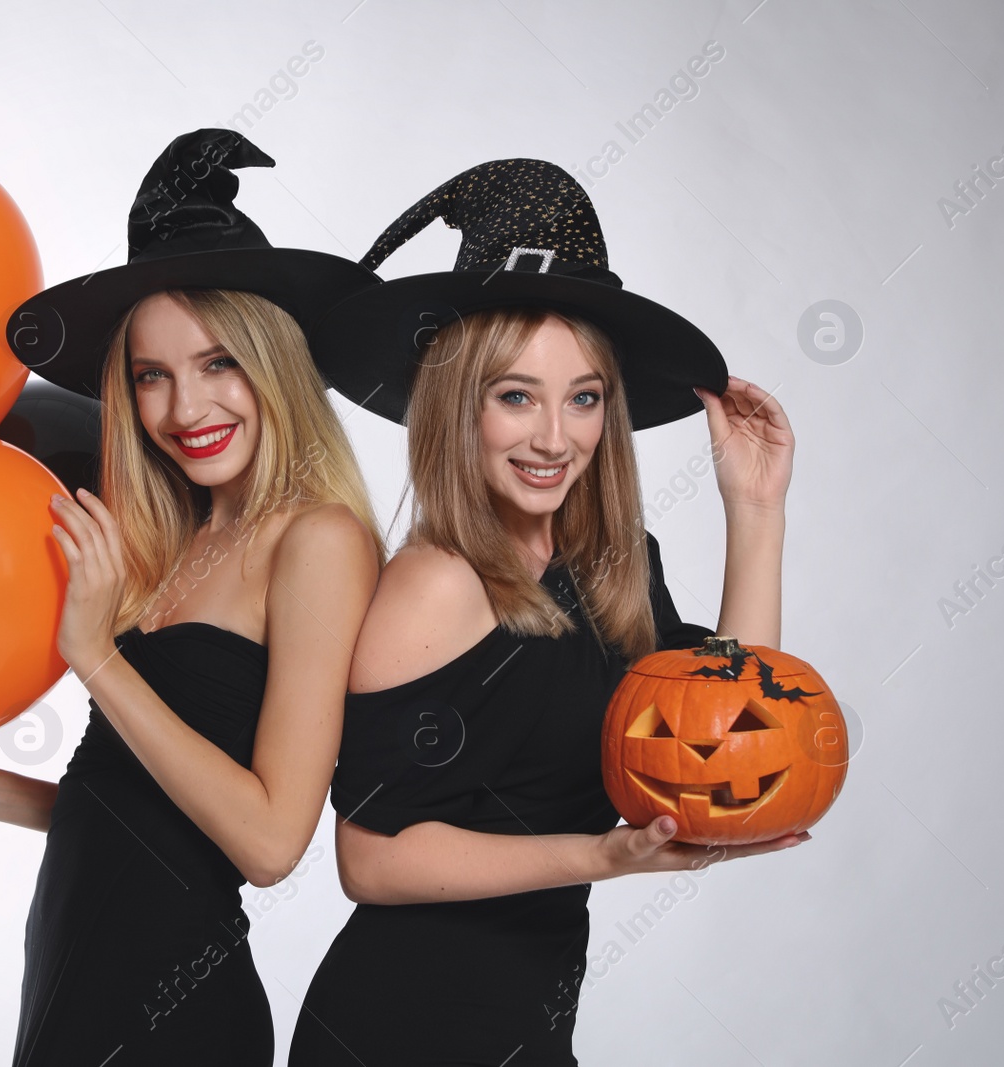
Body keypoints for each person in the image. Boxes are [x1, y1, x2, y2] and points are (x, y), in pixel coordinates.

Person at [0, 129, 385, 1066]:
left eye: (217, 363)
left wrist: (99, 658)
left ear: (272, 361)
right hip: (71, 982)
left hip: (174, 1012)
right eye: (151, 376)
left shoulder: (319, 540)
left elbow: (271, 841)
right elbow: (143, 810)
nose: (184, 409)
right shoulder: (175, 539)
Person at [288, 159, 805, 1065]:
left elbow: (727, 720)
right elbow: (369, 862)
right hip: (399, 1029)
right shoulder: (438, 583)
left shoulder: (613, 566)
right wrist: (601, 856)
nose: (554, 438)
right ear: (459, 405)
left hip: (528, 1021)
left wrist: (754, 511)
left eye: (583, 398)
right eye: (516, 396)